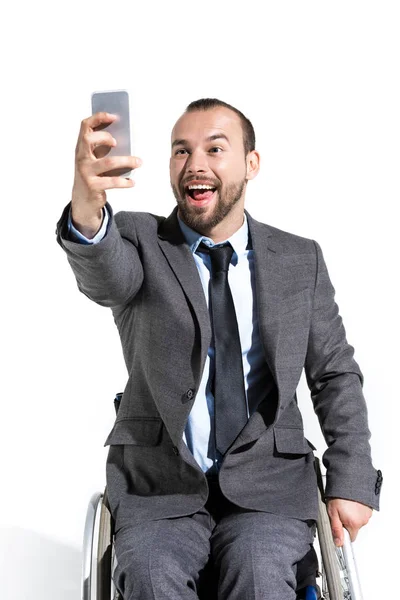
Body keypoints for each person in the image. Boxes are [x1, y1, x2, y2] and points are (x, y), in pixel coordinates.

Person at [56, 98, 381, 600]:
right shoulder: (141, 240)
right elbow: (104, 274)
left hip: (269, 487)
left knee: (259, 571)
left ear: (251, 163)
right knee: (150, 576)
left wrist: (351, 479)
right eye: (181, 152)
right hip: (159, 488)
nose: (195, 164)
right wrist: (87, 198)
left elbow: (335, 374)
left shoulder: (299, 259)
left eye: (214, 148)